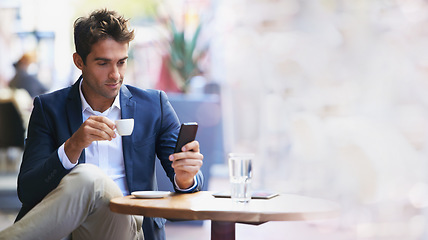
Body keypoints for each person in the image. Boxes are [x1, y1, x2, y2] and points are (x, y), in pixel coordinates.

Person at [0, 9, 204, 240]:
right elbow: (28, 191)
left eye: (121, 62)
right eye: (103, 63)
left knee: (89, 177)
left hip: (130, 227)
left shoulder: (153, 105)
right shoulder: (49, 109)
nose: (115, 74)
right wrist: (73, 146)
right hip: (70, 229)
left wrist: (185, 177)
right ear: (79, 62)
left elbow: (186, 182)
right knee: (88, 178)